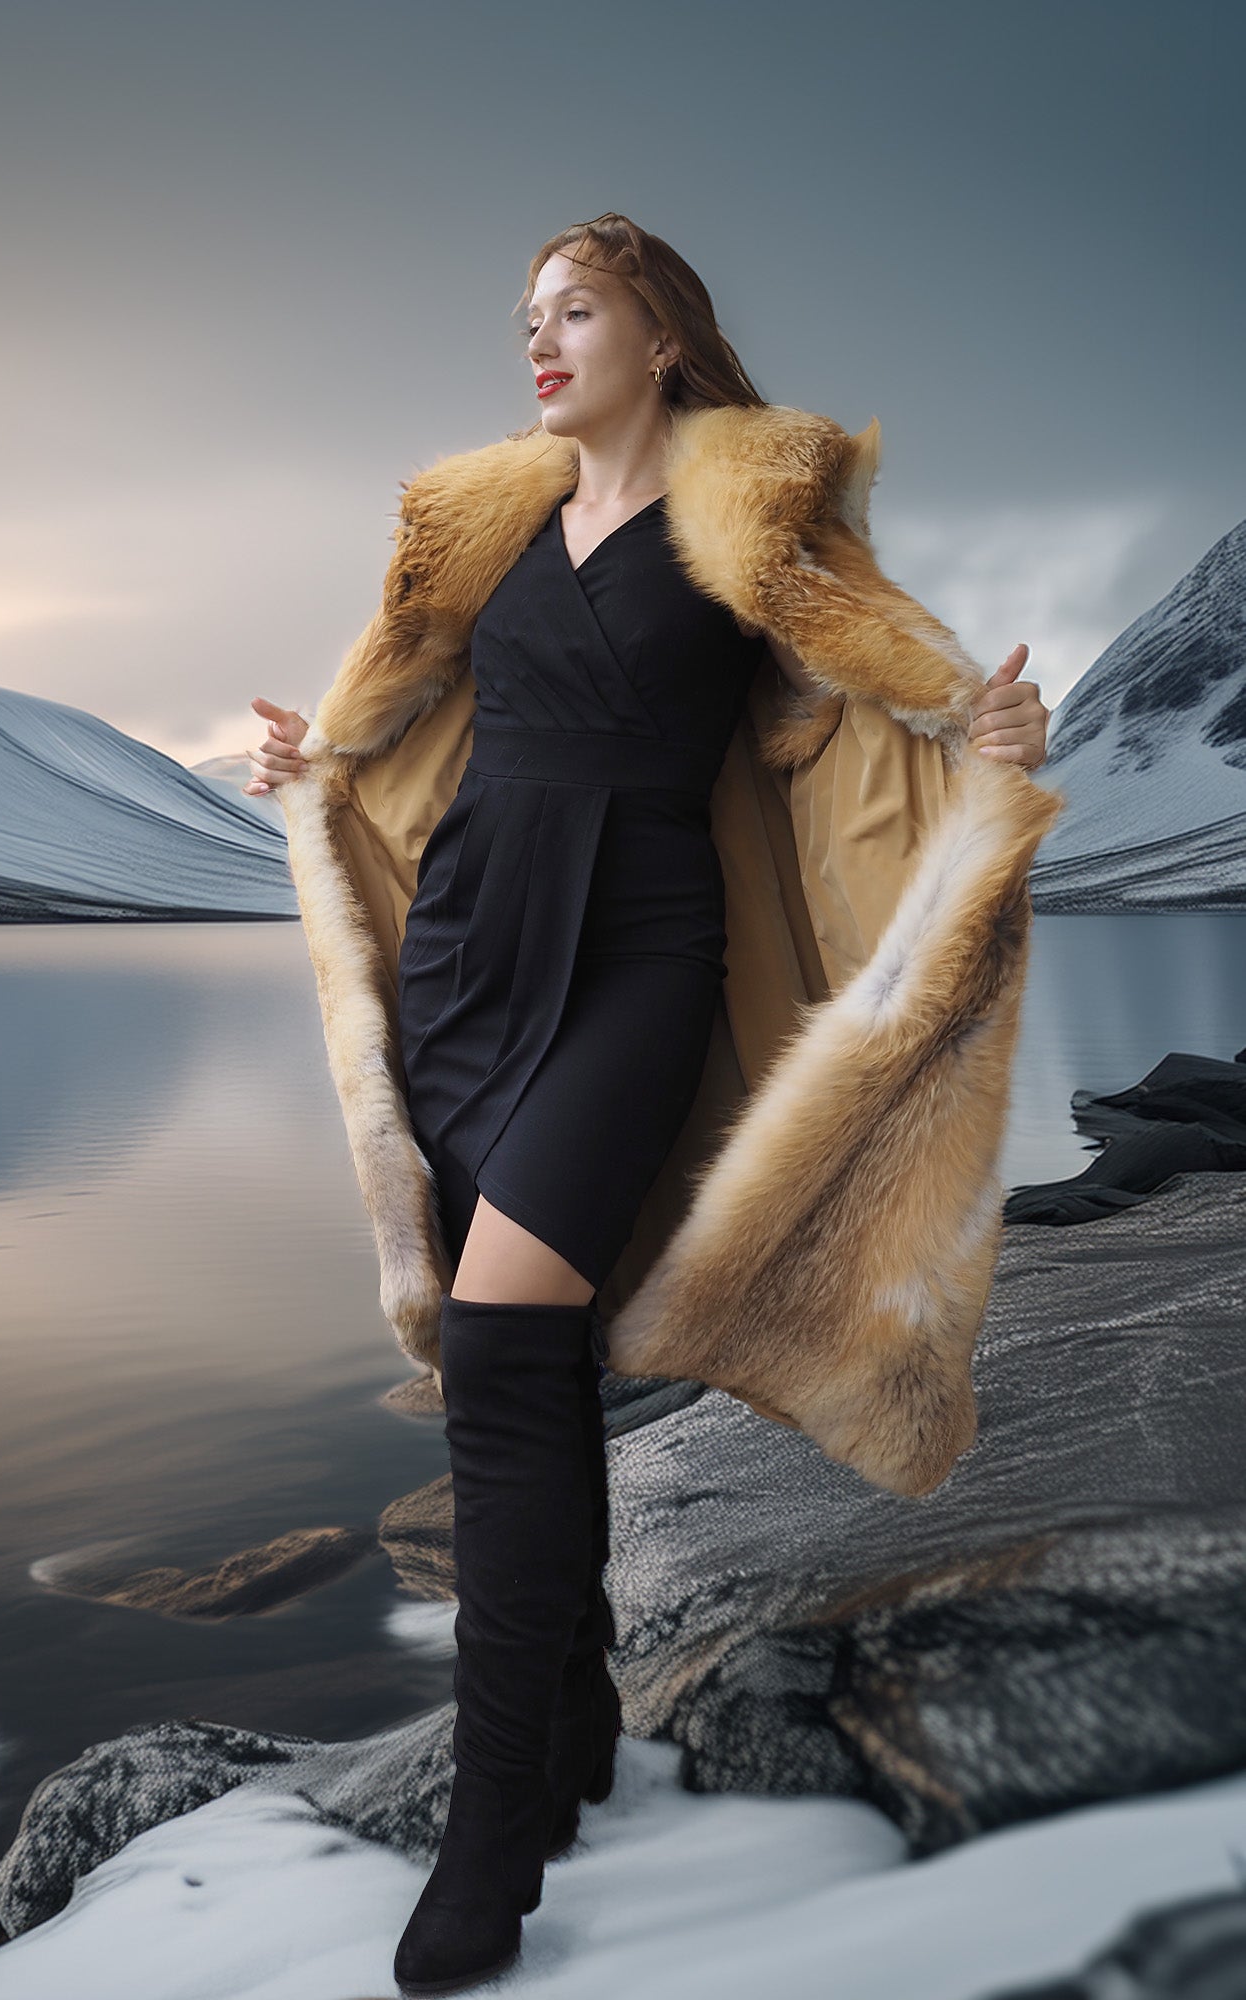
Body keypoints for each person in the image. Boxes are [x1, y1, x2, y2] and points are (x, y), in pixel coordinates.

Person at [246, 215, 1051, 1997]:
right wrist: (318, 772)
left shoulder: (748, 507)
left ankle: (493, 1829)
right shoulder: (488, 521)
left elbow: (874, 669)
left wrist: (977, 737)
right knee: (517, 1365)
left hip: (638, 951)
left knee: (505, 1322)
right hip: (468, 948)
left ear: (662, 334)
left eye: (574, 312)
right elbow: (410, 715)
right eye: (525, 317)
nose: (538, 343)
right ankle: (579, 1703)